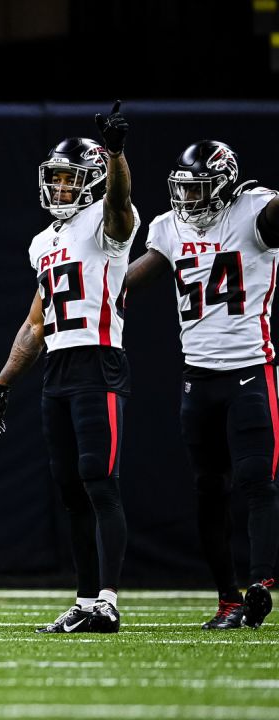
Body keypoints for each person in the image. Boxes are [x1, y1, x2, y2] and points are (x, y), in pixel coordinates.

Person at [0, 102, 138, 633]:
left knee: (100, 481)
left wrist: (116, 154)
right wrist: (3, 381)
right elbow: (36, 322)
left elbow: (120, 202)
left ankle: (109, 600)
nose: (61, 187)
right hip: (58, 372)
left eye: (71, 178)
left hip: (100, 363)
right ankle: (86, 597)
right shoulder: (43, 242)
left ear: (92, 180)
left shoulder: (107, 223)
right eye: (56, 178)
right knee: (71, 492)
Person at [123, 140, 278, 630]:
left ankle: (261, 583)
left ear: (226, 183)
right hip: (197, 378)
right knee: (209, 490)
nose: (189, 199)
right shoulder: (169, 228)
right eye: (184, 189)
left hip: (251, 371)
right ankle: (227, 599)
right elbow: (130, 278)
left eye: (199, 187)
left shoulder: (254, 210)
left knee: (258, 482)